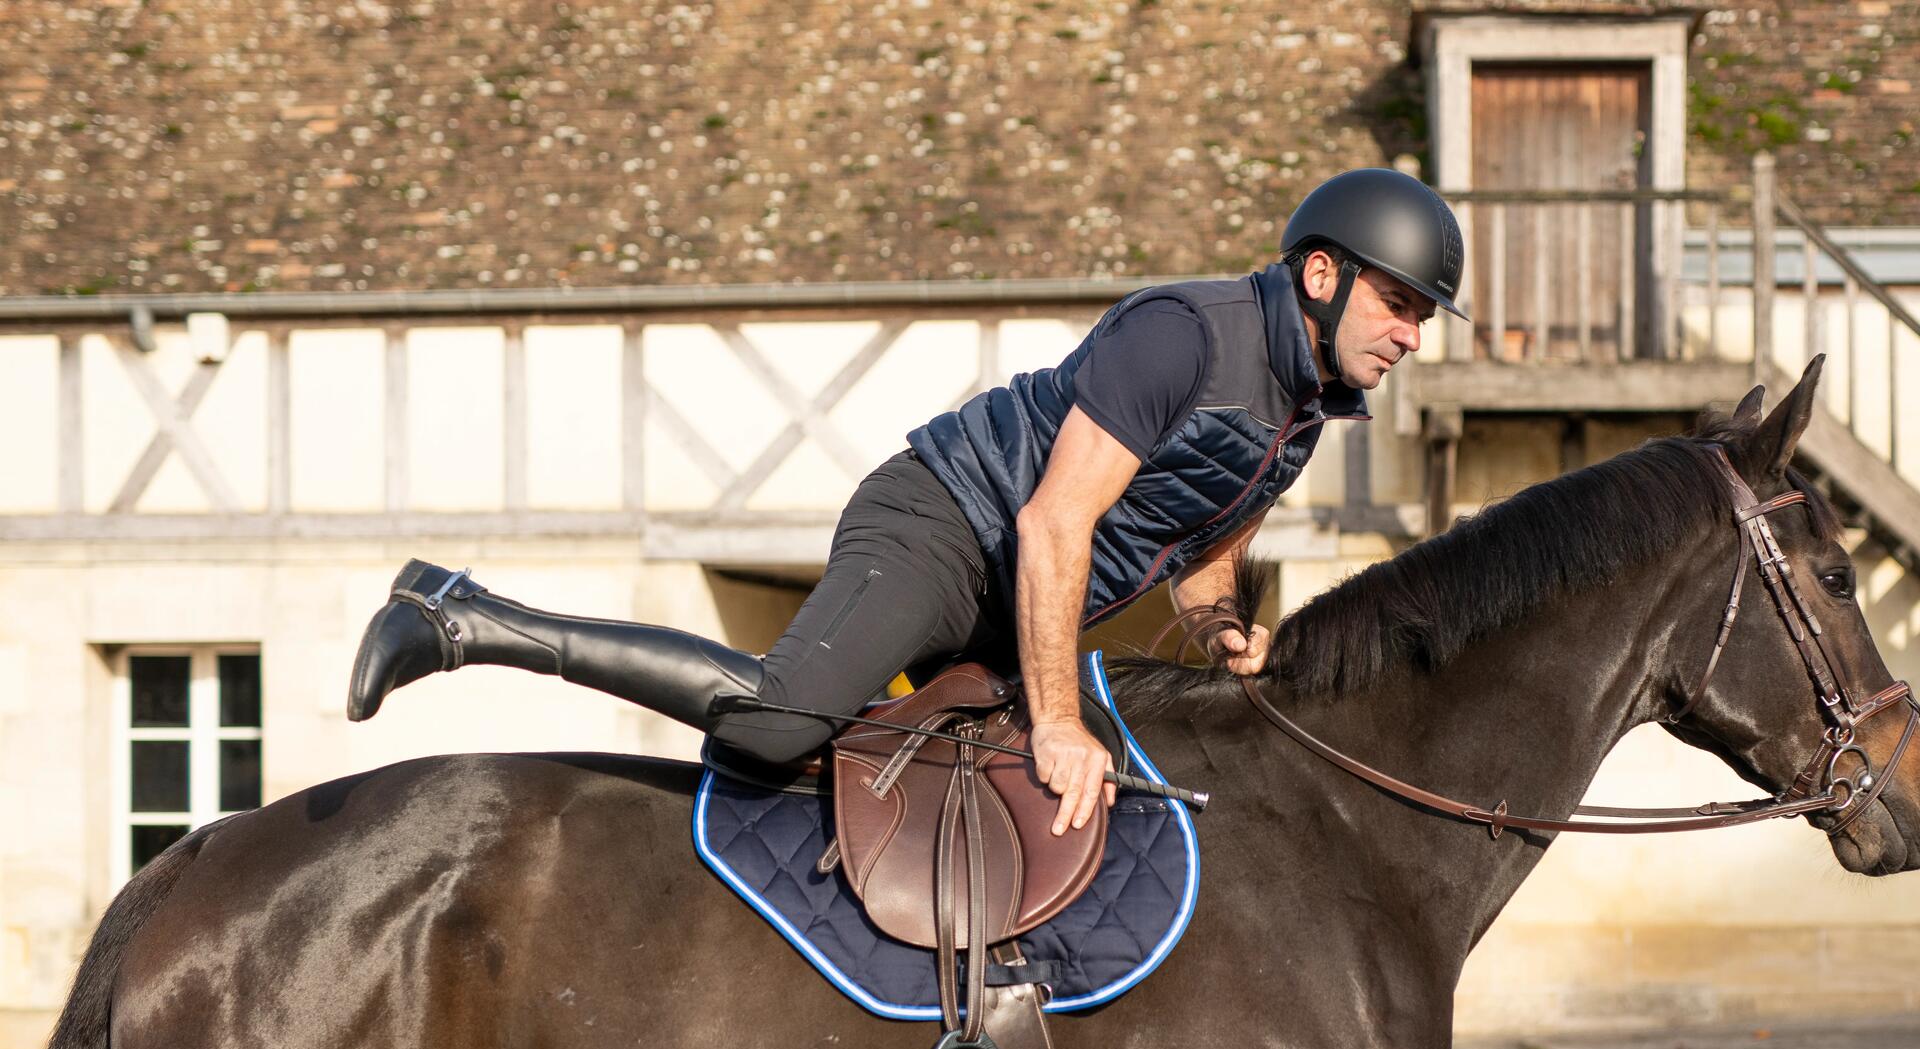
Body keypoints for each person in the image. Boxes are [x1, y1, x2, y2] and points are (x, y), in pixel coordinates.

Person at [346, 167, 1466, 837]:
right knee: (785, 726)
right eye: (1399, 303)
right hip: (941, 524)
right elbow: (1052, 522)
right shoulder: (1185, 333)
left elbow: (1208, 561)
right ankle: (466, 617)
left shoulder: (1306, 410)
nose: (1411, 336)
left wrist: (1226, 633)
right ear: (1321, 276)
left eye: (1423, 316)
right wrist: (1061, 722)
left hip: (1014, 591)